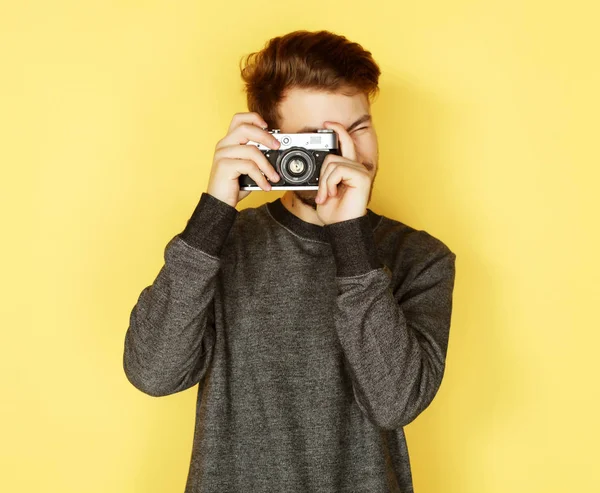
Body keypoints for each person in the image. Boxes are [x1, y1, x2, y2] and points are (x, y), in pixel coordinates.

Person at [123, 29, 457, 493]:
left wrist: (352, 242)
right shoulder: (221, 245)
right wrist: (213, 213)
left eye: (359, 127)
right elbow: (153, 373)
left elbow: (395, 402)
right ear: (270, 141)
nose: (348, 154)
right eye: (319, 138)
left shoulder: (420, 258)